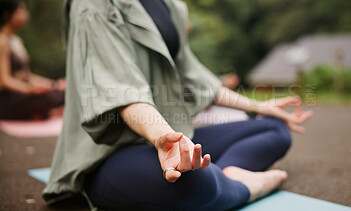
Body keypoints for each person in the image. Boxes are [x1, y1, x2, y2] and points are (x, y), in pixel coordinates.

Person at [42, 0, 313, 210]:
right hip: (107, 154)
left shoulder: (169, 5)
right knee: (193, 183)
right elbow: (120, 90)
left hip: (166, 135)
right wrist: (163, 137)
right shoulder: (93, 5)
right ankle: (246, 186)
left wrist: (257, 106)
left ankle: (228, 176)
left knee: (274, 128)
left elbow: (195, 77)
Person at [0, 0, 65, 120]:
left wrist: (53, 84)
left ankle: (41, 113)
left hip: (22, 96)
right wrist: (29, 89)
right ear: (7, 14)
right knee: (50, 98)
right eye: (21, 11)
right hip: (7, 101)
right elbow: (4, 80)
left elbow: (27, 75)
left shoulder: (17, 40)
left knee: (63, 93)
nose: (26, 15)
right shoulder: (2, 41)